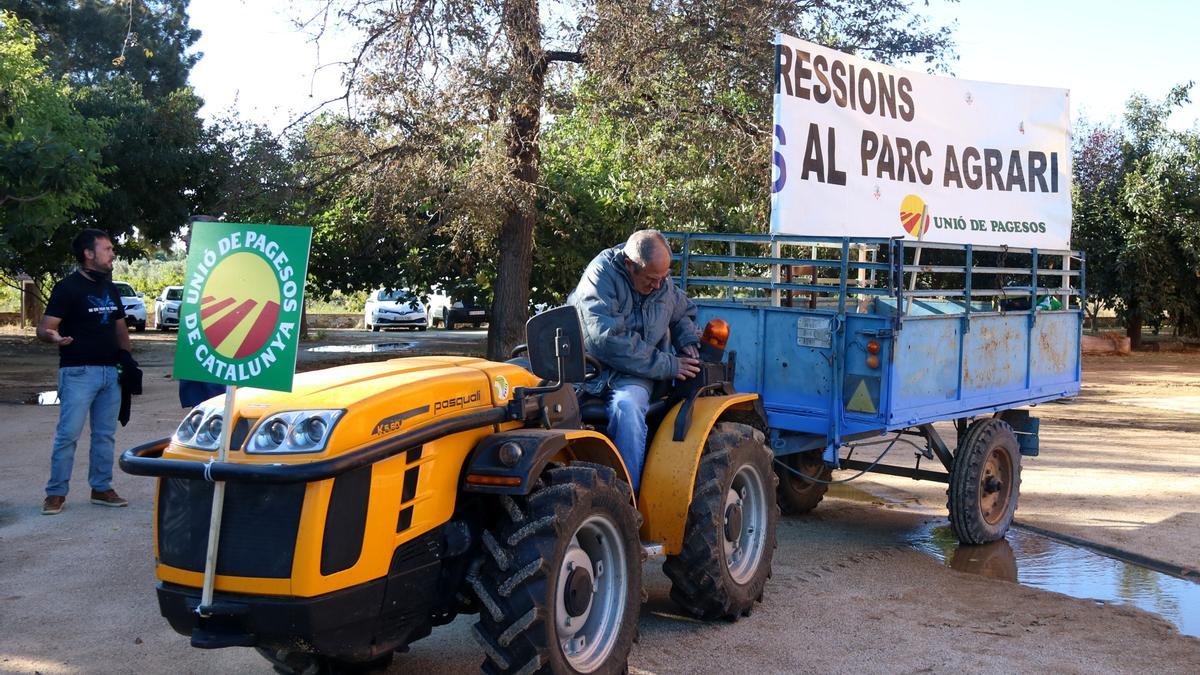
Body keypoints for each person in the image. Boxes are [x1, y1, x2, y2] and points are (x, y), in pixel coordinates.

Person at [568, 229, 701, 493]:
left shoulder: (660, 281)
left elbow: (680, 311)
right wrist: (668, 364)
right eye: (653, 279)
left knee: (626, 408)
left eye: (663, 278)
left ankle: (627, 498)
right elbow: (606, 338)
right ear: (630, 265)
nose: (659, 285)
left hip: (635, 373)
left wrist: (686, 340)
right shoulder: (600, 277)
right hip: (591, 370)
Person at [37, 229, 132, 515]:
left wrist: (127, 359)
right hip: (78, 372)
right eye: (107, 249)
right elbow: (45, 328)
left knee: (105, 435)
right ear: (89, 254)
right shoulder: (68, 288)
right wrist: (53, 337)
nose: (112, 253)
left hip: (109, 373)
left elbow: (119, 326)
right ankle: (56, 493)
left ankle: (101, 488)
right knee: (68, 435)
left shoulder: (109, 287)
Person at [177, 215, 224, 408]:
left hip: (217, 358)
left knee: (222, 412)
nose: (185, 239)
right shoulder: (197, 269)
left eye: (190, 232)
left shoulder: (224, 268)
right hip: (197, 354)